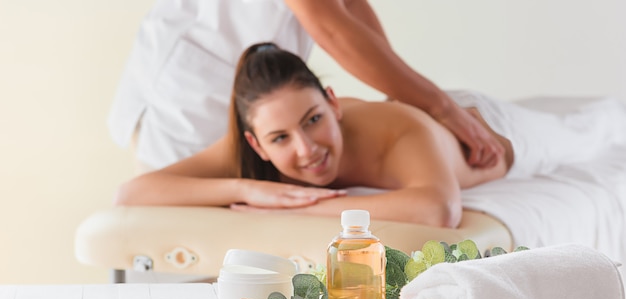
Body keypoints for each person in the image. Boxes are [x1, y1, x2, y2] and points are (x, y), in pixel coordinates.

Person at [114, 43, 626, 228]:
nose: (306, 150)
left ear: (334, 103)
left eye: (314, 119)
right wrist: (248, 189)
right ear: (255, 144)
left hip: (496, 131)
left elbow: (437, 211)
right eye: (280, 139)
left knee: (589, 129)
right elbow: (133, 193)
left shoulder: (397, 131)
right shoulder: (256, 146)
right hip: (441, 122)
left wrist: (297, 205)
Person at [108, 0, 503, 172]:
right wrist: (439, 107)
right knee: (199, 237)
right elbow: (332, 28)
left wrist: (402, 101)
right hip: (192, 91)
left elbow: (348, 6)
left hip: (228, 70)